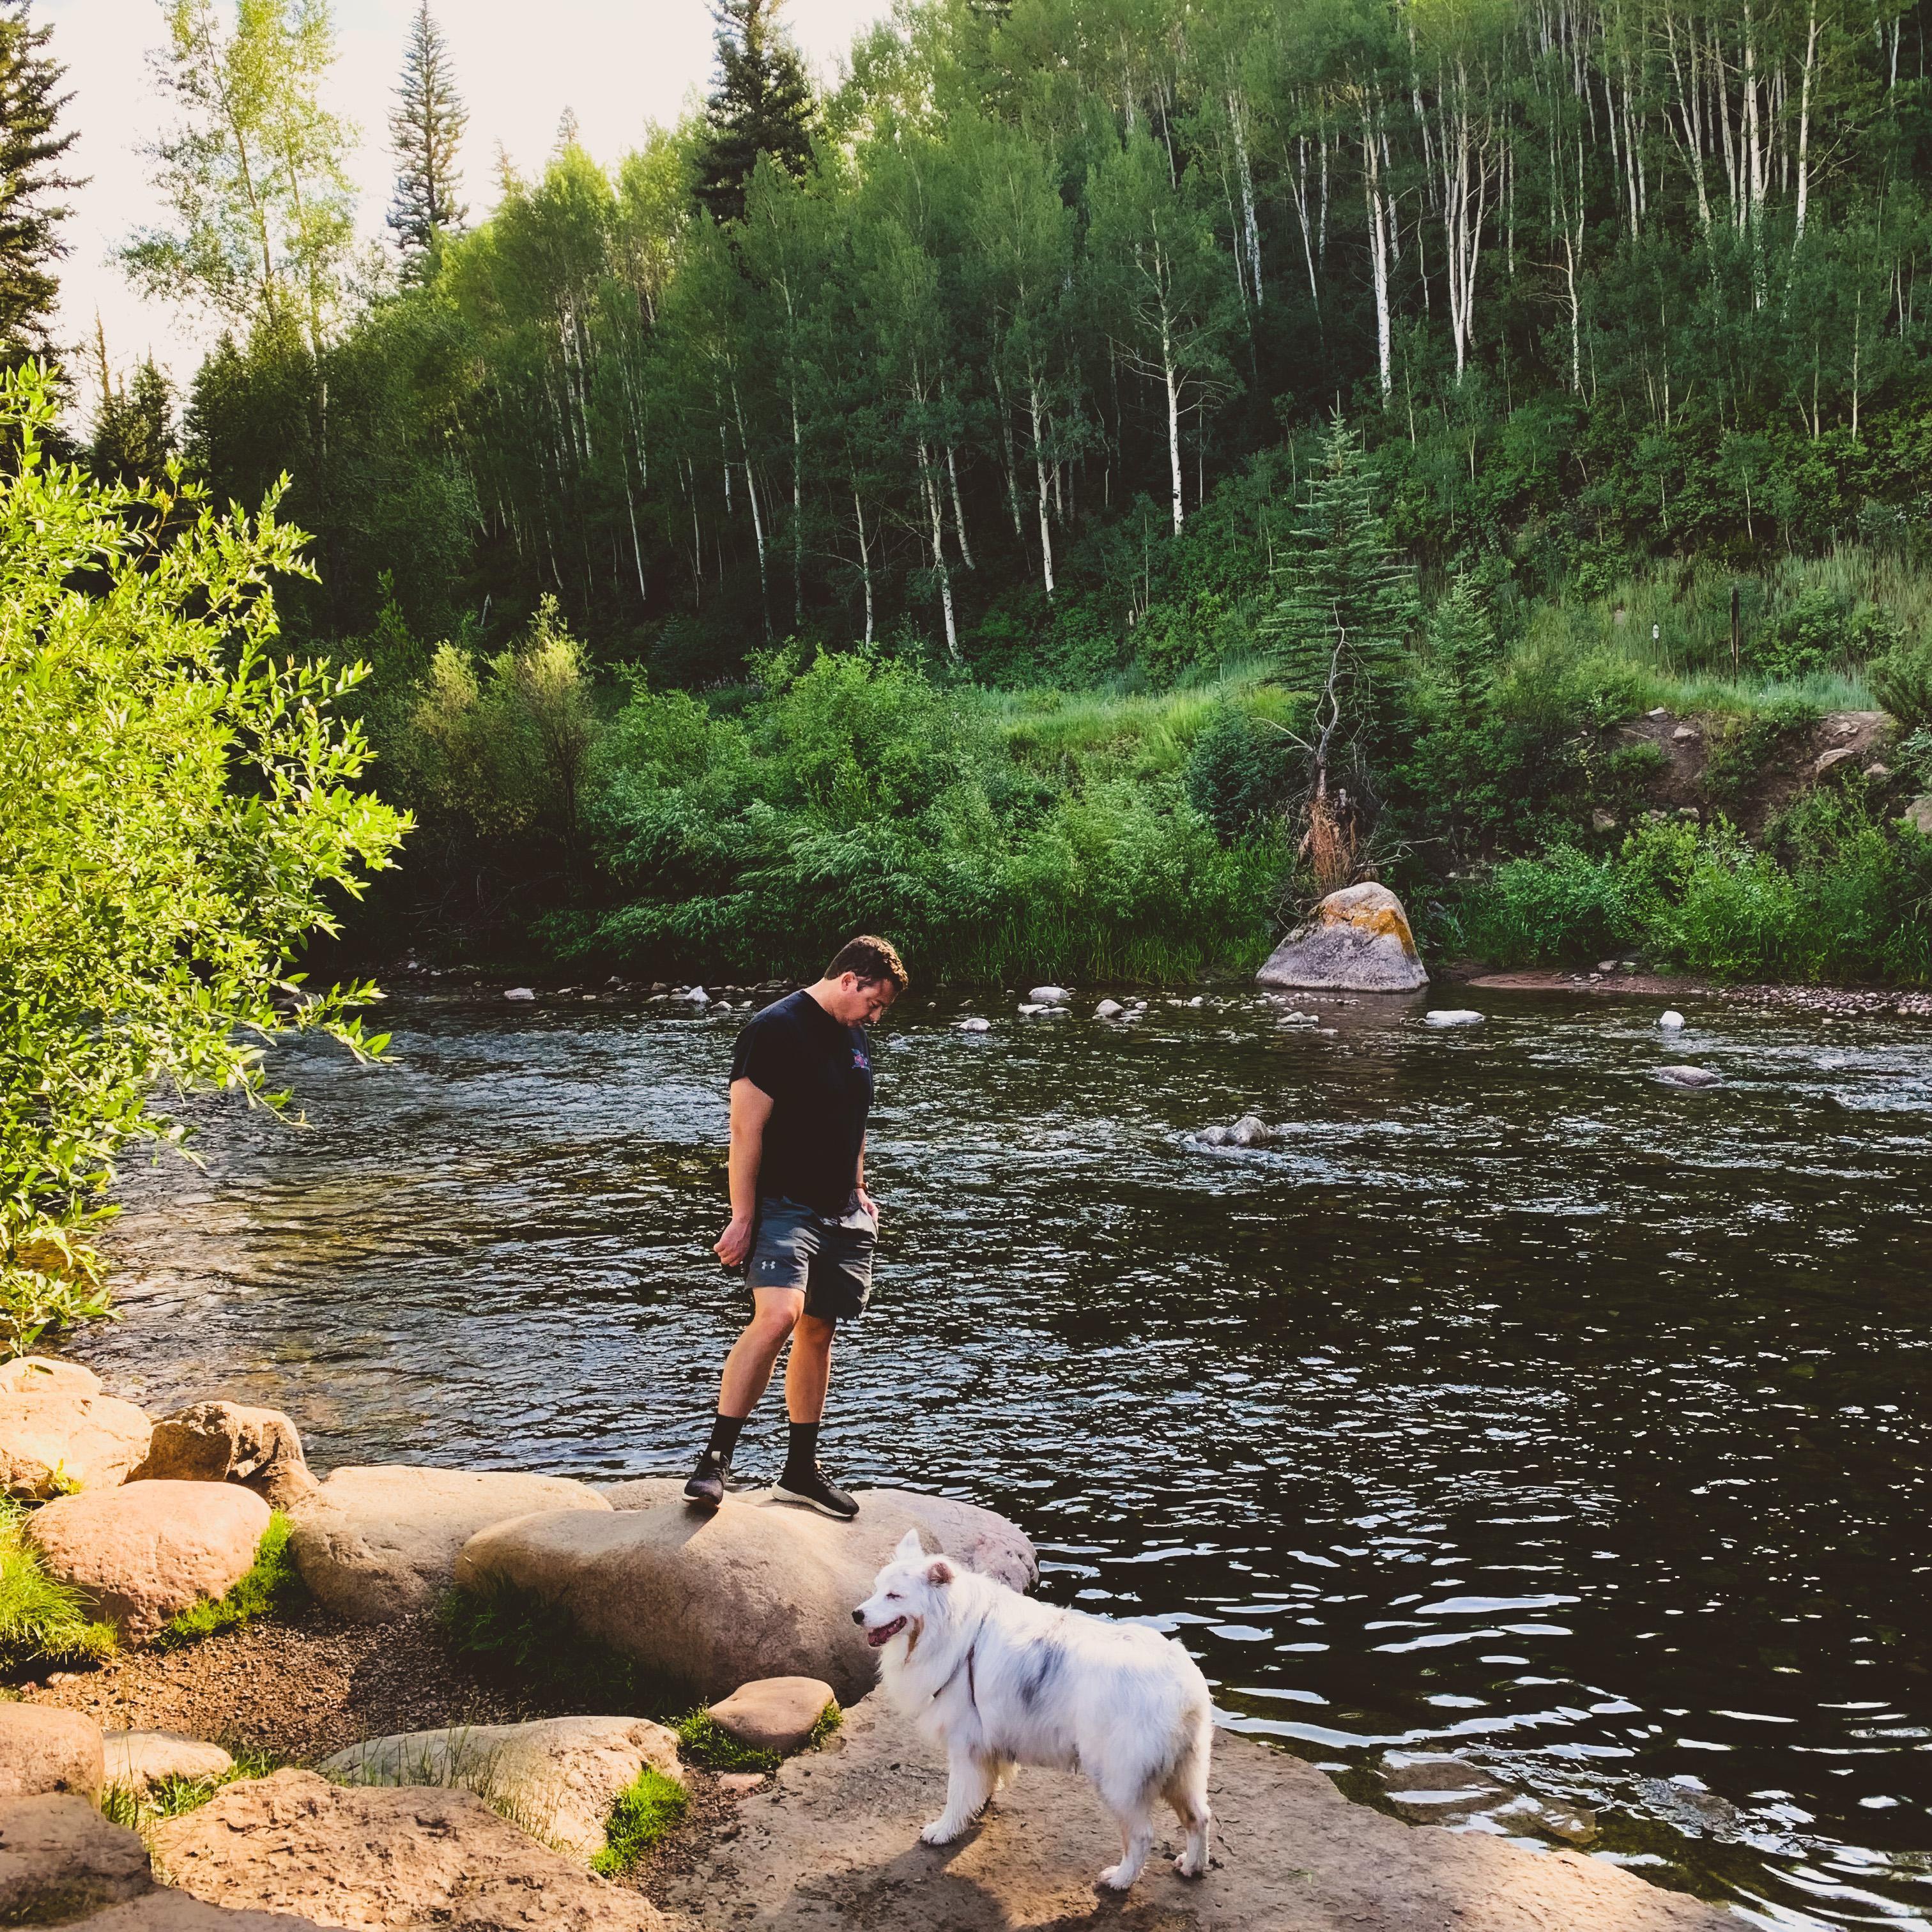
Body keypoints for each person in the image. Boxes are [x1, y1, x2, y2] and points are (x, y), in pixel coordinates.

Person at [683, 934, 908, 1519]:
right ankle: (715, 1460)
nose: (876, 1017)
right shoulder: (774, 1028)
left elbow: (855, 1118)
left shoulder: (854, 1037)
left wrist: (859, 1187)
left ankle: (800, 1472)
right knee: (779, 1315)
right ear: (850, 979)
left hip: (842, 1209)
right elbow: (744, 1133)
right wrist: (742, 1216)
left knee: (818, 1331)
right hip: (784, 1204)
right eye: (875, 1003)